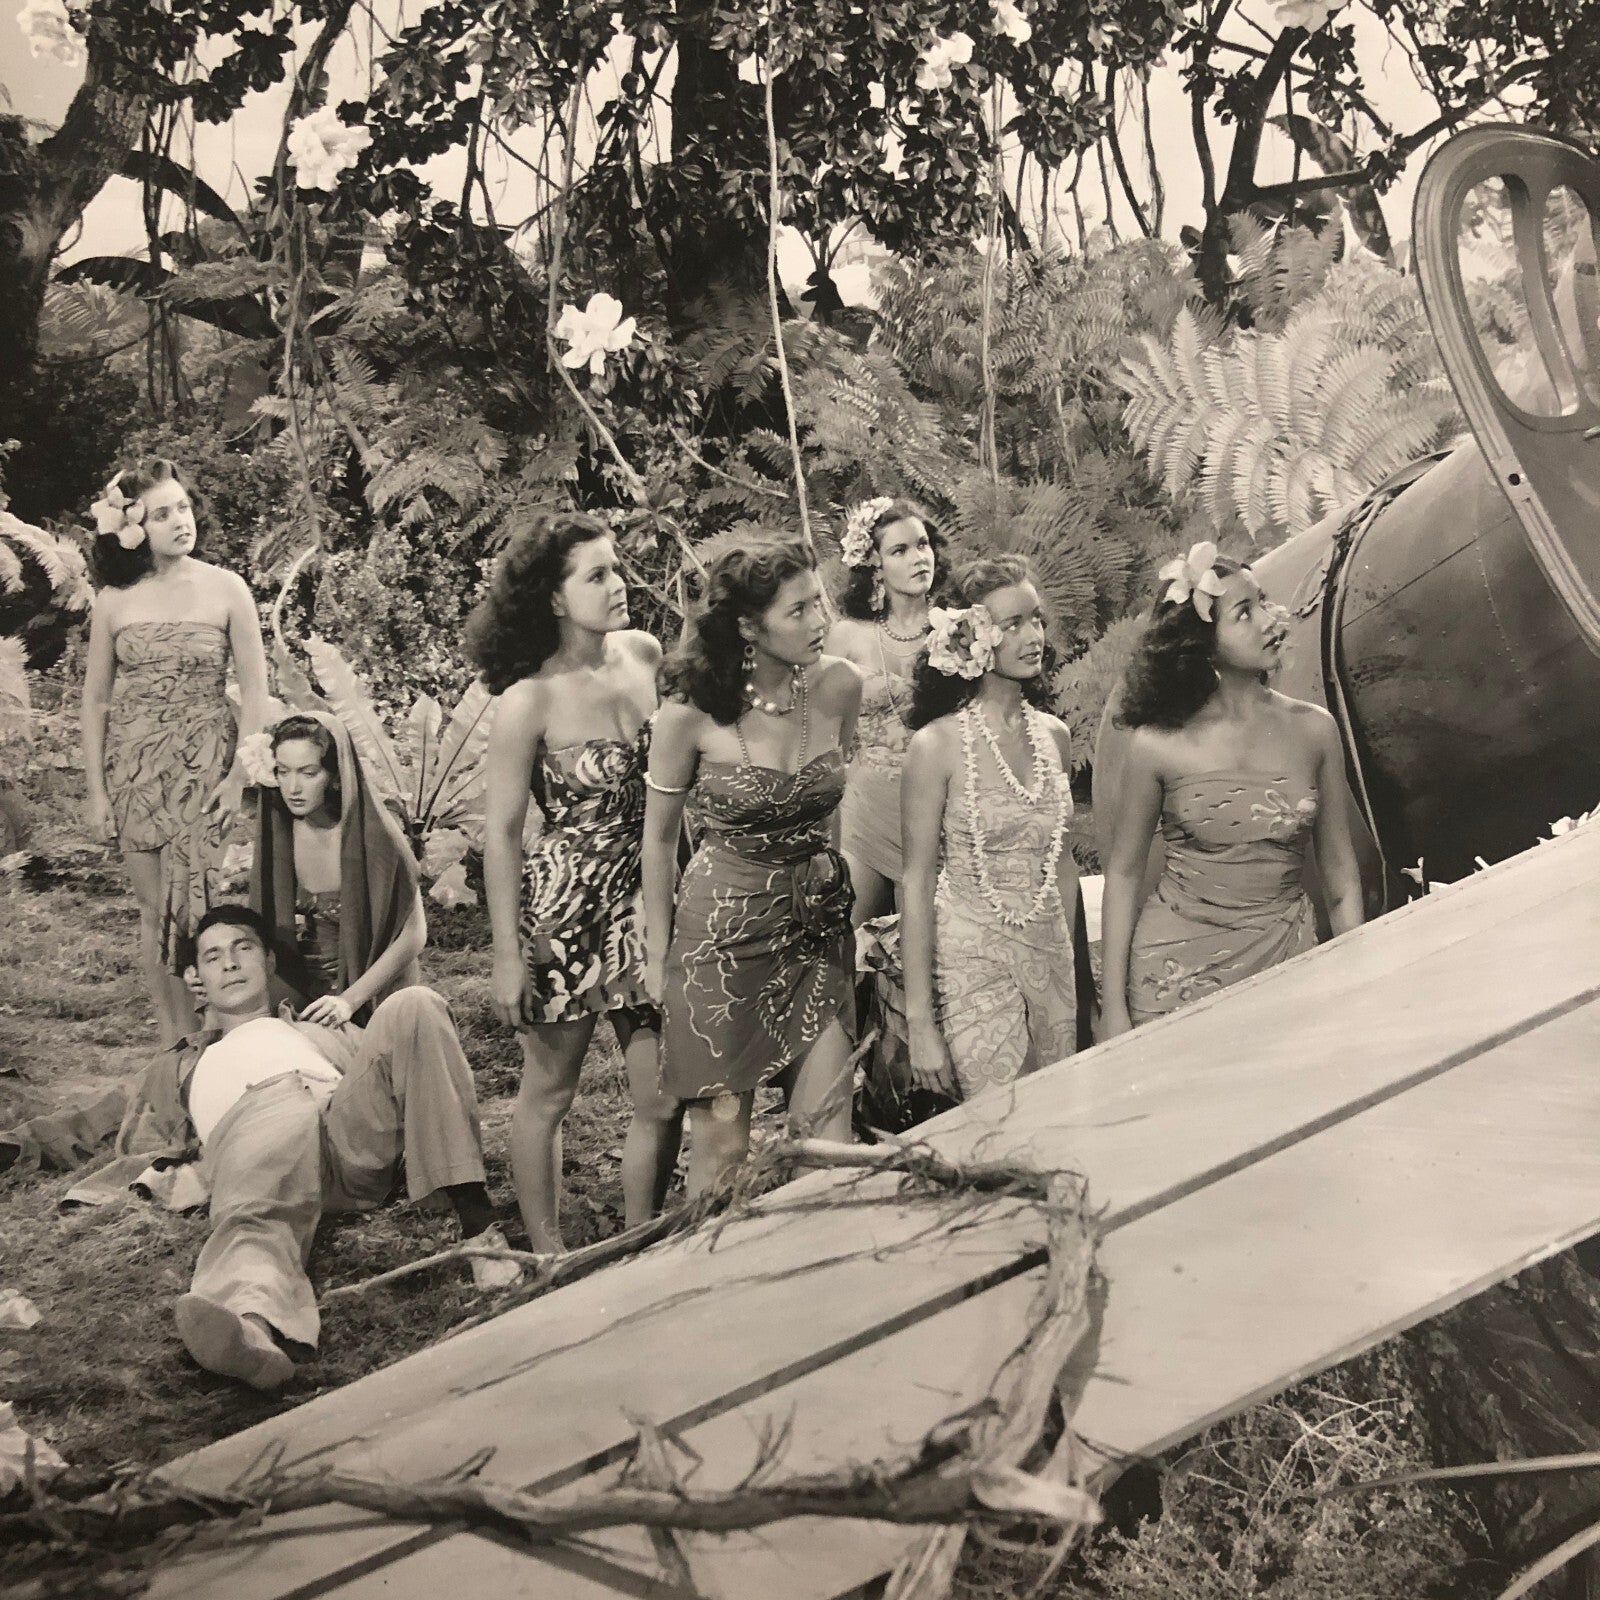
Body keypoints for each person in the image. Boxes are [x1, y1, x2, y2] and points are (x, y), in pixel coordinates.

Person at [121, 905, 513, 1392]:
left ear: (268, 961)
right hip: (259, 1125)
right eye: (213, 956)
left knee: (416, 1003)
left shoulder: (319, 1026)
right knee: (256, 1215)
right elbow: (112, 1120)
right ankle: (252, 1330)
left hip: (345, 1126)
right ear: (196, 978)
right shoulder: (181, 1063)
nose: (230, 963)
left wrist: (350, 1017)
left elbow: (408, 1058)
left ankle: (481, 1232)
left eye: (243, 948)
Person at [470, 512, 682, 1254]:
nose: (618, 584)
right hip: (565, 912)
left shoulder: (645, 654)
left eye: (616, 567)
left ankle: (639, 1241)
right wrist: (506, 955)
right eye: (596, 575)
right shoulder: (529, 699)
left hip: (649, 896)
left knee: (662, 1093)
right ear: (555, 599)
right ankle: (549, 1256)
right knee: (551, 1090)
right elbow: (501, 834)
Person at [643, 539, 862, 1195]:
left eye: (818, 602)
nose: (819, 621)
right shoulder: (688, 714)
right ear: (747, 626)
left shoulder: (839, 685)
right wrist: (656, 954)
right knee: (723, 1153)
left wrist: (832, 891)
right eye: (798, 611)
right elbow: (658, 843)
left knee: (829, 1139)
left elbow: (829, 807)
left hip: (816, 935)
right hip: (720, 942)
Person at [1098, 542, 1367, 1036]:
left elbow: (1341, 877)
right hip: (1173, 974)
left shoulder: (1315, 730)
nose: (1268, 620)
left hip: (1287, 961)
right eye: (1244, 613)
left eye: (1262, 601)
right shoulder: (1156, 744)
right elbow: (1124, 873)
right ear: (1203, 643)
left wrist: (1358, 980)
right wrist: (1113, 1008)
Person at [80, 459, 269, 1042]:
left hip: (205, 768)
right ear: (133, 529)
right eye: (162, 514)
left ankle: (218, 1033)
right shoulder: (114, 599)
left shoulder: (227, 588)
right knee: (151, 908)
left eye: (183, 507)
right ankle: (173, 1040)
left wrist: (237, 778)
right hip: (134, 770)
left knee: (198, 903)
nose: (180, 521)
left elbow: (256, 692)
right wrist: (96, 792)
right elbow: (95, 701)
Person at [899, 556, 1080, 1103]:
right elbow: (915, 881)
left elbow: (1063, 866)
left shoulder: (1055, 736)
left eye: (1036, 619)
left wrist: (1084, 985)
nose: (1033, 636)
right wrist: (920, 1022)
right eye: (1012, 624)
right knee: (1000, 1124)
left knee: (1060, 1119)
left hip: (1051, 956)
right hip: (970, 963)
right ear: (972, 637)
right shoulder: (935, 745)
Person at [250, 712, 426, 1025]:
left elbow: (414, 935)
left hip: (370, 990)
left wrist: (349, 1001)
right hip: (304, 989)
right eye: (283, 772)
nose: (293, 787)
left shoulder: (374, 833)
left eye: (308, 773)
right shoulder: (281, 831)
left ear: (335, 775)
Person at [824, 498, 944, 925]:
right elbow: (822, 736)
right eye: (900, 550)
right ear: (874, 564)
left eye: (923, 545)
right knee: (847, 941)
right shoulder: (848, 636)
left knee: (930, 950)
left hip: (938, 812)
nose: (918, 558)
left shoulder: (957, 630)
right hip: (865, 812)